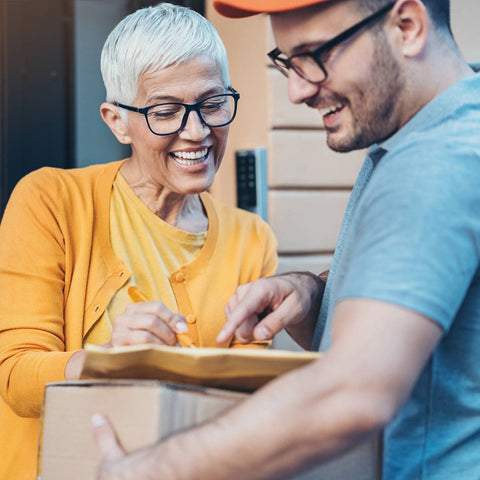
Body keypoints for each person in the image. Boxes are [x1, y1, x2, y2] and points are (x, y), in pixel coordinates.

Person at [92, 0, 480, 478]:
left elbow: (352, 392)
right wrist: (316, 294)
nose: (296, 90)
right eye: (288, 62)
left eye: (316, 55)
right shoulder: (450, 131)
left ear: (407, 25)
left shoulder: (433, 164)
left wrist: (145, 470)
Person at [0, 4, 278, 479]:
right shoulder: (51, 200)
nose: (197, 131)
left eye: (212, 103)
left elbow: (242, 401)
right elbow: (17, 376)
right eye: (165, 111)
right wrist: (108, 362)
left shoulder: (252, 239)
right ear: (117, 121)